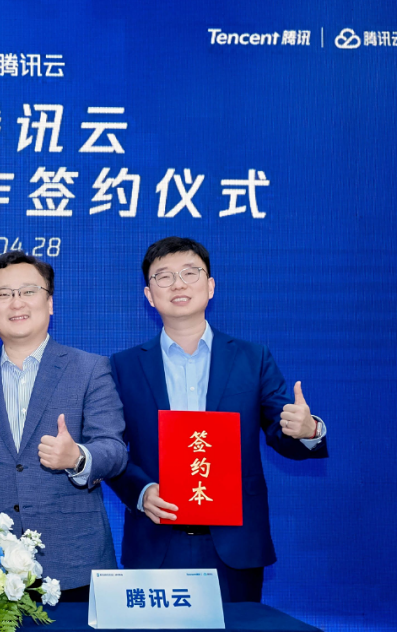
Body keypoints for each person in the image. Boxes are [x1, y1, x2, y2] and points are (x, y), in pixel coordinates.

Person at [107, 236, 328, 602]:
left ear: (210, 286)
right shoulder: (123, 366)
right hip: (156, 539)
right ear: (149, 295)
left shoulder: (252, 358)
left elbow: (282, 432)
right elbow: (110, 449)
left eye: (190, 273)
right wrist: (142, 492)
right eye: (164, 276)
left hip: (236, 543)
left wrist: (307, 429)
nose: (178, 284)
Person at [0, 251, 127, 602]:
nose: (16, 302)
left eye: (29, 291)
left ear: (50, 303)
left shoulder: (90, 369)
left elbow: (114, 450)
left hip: (74, 563)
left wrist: (77, 457)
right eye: (2, 294)